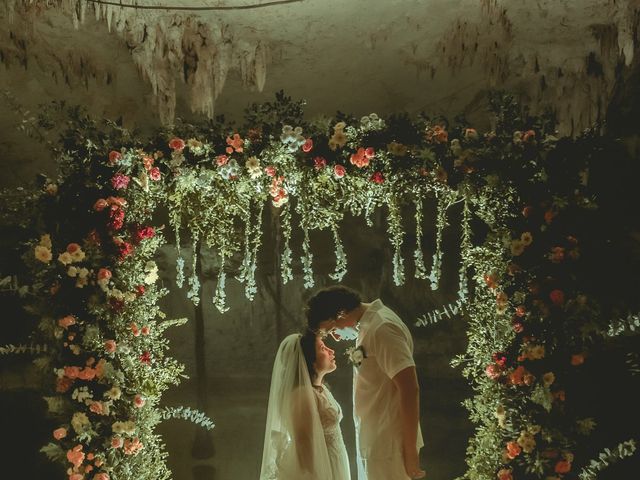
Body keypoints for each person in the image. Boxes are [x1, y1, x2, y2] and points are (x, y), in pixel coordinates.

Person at [306, 285, 425, 480]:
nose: (335, 337)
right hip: (374, 441)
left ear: (341, 313)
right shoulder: (367, 326)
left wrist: (410, 452)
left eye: (333, 330)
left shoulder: (382, 327)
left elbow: (409, 388)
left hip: (389, 445)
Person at [260, 331, 350, 479]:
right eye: (323, 348)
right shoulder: (301, 395)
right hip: (320, 469)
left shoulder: (321, 389)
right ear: (310, 360)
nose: (331, 351)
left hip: (335, 461)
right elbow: (304, 446)